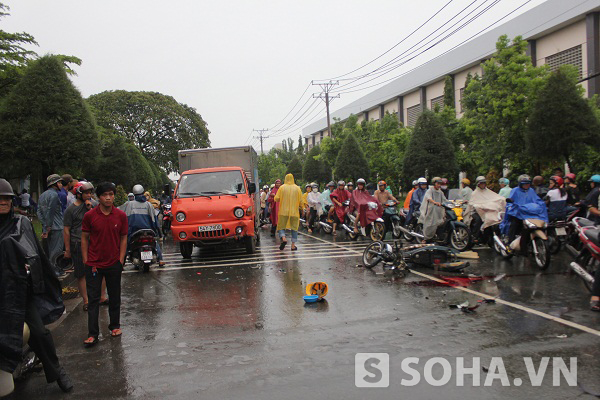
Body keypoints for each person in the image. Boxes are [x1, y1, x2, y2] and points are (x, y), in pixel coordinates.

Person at [0, 178, 73, 393]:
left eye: (6, 199)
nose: (3, 203)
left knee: (40, 333)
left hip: (19, 293)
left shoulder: (21, 224)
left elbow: (34, 254)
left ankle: (57, 371)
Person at [81, 182, 128, 347]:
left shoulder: (120, 215)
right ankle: (92, 334)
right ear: (98, 197)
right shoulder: (90, 216)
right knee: (93, 300)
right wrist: (86, 259)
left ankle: (115, 326)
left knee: (115, 297)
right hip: (94, 263)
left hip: (114, 262)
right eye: (104, 195)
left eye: (111, 194)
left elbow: (123, 238)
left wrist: (121, 259)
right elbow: (85, 238)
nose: (108, 198)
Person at [63, 182, 107, 312]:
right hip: (77, 243)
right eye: (86, 193)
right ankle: (86, 300)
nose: (89, 195)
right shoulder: (70, 210)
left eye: (90, 193)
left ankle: (102, 296)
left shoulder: (94, 206)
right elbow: (66, 230)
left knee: (102, 269)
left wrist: (90, 209)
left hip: (95, 242)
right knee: (81, 273)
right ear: (79, 193)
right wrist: (67, 249)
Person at [121, 185, 165, 267]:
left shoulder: (129, 204)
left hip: (134, 231)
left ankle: (122, 263)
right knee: (155, 242)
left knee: (126, 244)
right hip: (148, 230)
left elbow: (124, 217)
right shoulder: (148, 204)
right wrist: (158, 233)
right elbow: (154, 220)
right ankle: (161, 259)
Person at [500, 174, 548, 245]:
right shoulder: (515, 190)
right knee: (514, 223)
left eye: (528, 184)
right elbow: (510, 202)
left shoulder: (531, 190)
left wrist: (541, 204)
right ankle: (509, 242)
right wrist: (513, 206)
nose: (527, 185)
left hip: (530, 213)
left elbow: (536, 200)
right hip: (519, 213)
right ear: (520, 184)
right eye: (525, 184)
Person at [37, 174, 65, 275]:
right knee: (56, 251)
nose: (61, 185)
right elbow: (51, 212)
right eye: (60, 182)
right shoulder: (54, 195)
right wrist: (47, 227)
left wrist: (44, 226)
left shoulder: (42, 195)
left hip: (48, 227)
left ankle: (52, 270)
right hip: (56, 227)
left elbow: (39, 212)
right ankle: (54, 271)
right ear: (55, 184)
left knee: (50, 250)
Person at [274, 174, 302, 251]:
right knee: (294, 228)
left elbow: (276, 199)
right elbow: (301, 201)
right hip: (294, 212)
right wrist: (302, 207)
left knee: (281, 226)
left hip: (283, 211)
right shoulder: (297, 188)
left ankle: (283, 237)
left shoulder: (282, 188)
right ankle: (293, 245)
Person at [418, 177, 447, 243]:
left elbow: (445, 200)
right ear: (434, 183)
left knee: (440, 223)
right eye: (438, 183)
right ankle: (425, 238)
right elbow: (429, 198)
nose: (439, 185)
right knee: (429, 224)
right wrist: (434, 202)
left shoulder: (440, 192)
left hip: (438, 211)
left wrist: (452, 203)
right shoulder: (430, 190)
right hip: (431, 211)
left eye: (440, 184)